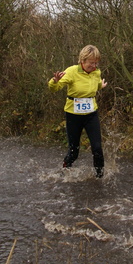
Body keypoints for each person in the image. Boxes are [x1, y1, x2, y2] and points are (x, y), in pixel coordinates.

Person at [48, 45, 108, 178]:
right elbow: (54, 88)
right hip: (73, 115)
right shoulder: (72, 71)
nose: (94, 65)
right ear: (83, 60)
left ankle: (100, 178)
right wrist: (54, 81)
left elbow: (95, 84)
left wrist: (100, 86)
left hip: (91, 114)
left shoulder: (96, 72)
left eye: (96, 62)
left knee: (97, 148)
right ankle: (64, 171)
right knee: (74, 151)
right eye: (91, 62)